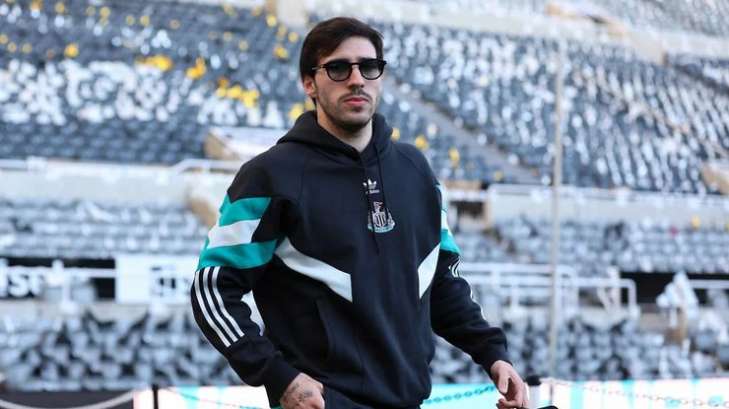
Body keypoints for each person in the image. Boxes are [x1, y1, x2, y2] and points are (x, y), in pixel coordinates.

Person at [190, 16, 528, 409]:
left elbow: (441, 282)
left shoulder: (416, 171)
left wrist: (493, 354)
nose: (356, 79)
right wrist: (278, 376)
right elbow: (212, 289)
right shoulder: (269, 176)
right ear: (309, 83)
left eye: (369, 67)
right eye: (338, 68)